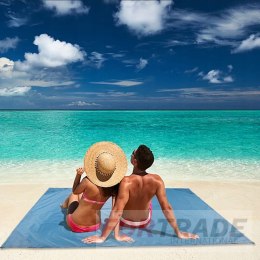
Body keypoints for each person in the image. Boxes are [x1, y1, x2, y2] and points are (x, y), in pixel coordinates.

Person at [83, 144, 199, 243]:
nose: (132, 154)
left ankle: (116, 234)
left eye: (133, 153)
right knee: (150, 200)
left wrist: (102, 237)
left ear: (134, 161)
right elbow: (166, 207)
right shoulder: (157, 180)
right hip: (145, 221)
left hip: (125, 222)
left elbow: (117, 210)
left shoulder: (125, 182)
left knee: (117, 196)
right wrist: (179, 232)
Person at [61, 141, 132, 241]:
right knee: (86, 199)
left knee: (73, 195)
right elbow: (116, 211)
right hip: (94, 226)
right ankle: (64, 204)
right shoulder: (114, 186)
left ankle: (63, 206)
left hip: (75, 224)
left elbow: (75, 190)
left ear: (95, 166)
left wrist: (78, 175)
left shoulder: (87, 181)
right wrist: (117, 236)